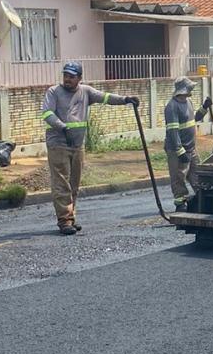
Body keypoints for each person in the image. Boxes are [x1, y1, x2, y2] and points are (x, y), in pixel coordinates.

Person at [41, 62, 139, 235]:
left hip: (77, 145)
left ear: (79, 78)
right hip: (58, 144)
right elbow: (47, 114)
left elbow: (106, 97)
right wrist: (63, 127)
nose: (67, 79)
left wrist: (125, 100)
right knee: (61, 183)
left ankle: (71, 217)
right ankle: (64, 221)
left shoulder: (85, 91)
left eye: (71, 76)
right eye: (65, 75)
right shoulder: (53, 92)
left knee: (74, 184)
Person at [164, 77, 213, 212]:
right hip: (177, 150)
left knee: (196, 174)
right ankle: (180, 203)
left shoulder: (188, 102)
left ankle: (202, 199)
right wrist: (180, 152)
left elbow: (195, 118)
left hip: (191, 148)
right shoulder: (172, 106)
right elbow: (173, 131)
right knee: (179, 176)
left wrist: (204, 107)